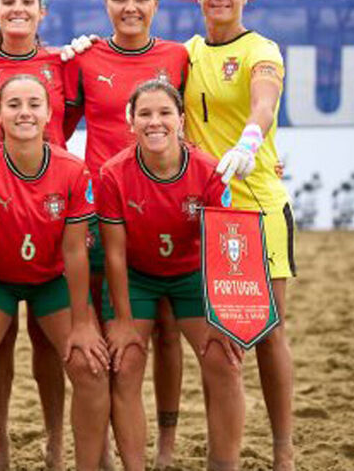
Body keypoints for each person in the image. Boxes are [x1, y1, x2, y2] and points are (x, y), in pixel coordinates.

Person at [60, 0, 189, 466]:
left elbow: (191, 123)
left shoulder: (178, 56)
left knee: (166, 330)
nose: (130, 7)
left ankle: (167, 442)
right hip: (100, 210)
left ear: (157, 2)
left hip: (163, 207)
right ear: (106, 3)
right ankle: (111, 448)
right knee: (111, 331)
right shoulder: (86, 58)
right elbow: (56, 127)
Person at [0, 74, 110, 471]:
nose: (25, 112)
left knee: (90, 365)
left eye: (34, 104)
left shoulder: (73, 170)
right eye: (14, 105)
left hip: (51, 280)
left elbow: (75, 250)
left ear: (49, 113)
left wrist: (83, 321)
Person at [98, 79, 245, 471]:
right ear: (130, 122)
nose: (154, 122)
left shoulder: (209, 172)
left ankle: (223, 464)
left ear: (181, 120)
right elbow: (114, 253)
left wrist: (223, 316)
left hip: (192, 275)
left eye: (164, 113)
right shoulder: (113, 174)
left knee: (225, 360)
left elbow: (224, 249)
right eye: (144, 114)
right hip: (138, 275)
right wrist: (125, 321)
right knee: (125, 362)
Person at [184, 0, 295, 469]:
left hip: (258, 204)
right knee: (215, 338)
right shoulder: (186, 54)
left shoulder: (261, 50)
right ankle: (220, 449)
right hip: (206, 211)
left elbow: (264, 103)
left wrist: (251, 141)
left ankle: (282, 449)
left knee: (269, 329)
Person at [0, 0, 71, 469]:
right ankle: (1, 445)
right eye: (9, 0)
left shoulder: (64, 62)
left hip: (52, 212)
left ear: (42, 11)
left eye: (28, 0)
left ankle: (54, 441)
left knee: (52, 347)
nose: (18, 8)